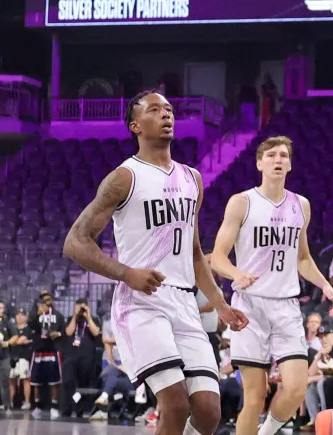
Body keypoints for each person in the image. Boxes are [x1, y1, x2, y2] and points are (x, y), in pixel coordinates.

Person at [62, 90, 248, 435]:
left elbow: (193, 252)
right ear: (135, 125)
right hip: (142, 303)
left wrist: (220, 305)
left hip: (184, 303)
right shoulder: (124, 177)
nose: (166, 115)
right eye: (155, 110)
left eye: (169, 109)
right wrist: (126, 273)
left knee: (208, 411)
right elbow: (75, 242)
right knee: (175, 404)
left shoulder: (192, 178)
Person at [211, 135, 333, 435]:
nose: (278, 159)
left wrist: (326, 285)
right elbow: (217, 257)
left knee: (295, 390)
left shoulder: (301, 205)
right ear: (259, 163)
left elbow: (304, 258)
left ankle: (267, 432)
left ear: (290, 164)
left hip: (286, 306)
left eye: (283, 155)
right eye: (271, 155)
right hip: (249, 307)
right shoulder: (242, 202)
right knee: (255, 396)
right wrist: (236, 273)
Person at [28, 292, 63, 418]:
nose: (47, 301)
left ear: (52, 300)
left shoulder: (57, 315)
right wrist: (37, 313)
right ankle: (37, 406)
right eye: (44, 300)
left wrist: (57, 334)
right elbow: (30, 324)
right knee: (36, 381)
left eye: (49, 299)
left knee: (54, 381)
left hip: (52, 349)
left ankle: (54, 407)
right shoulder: (37, 313)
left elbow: (63, 330)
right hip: (38, 349)